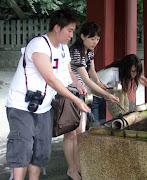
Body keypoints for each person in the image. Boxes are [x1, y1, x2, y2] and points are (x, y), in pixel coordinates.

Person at [5, 7, 90, 180]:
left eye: (73, 31)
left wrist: (77, 84)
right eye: (69, 30)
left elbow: (68, 73)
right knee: (22, 152)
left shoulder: (64, 48)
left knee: (40, 153)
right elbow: (51, 79)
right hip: (22, 107)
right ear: (57, 27)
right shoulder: (38, 45)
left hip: (44, 108)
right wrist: (76, 100)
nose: (71, 35)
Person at [62, 22, 119, 180]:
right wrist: (105, 95)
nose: (95, 42)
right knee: (71, 133)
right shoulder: (76, 51)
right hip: (69, 92)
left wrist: (100, 83)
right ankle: (71, 169)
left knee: (79, 131)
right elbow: (86, 80)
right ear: (82, 36)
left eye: (98, 39)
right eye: (92, 38)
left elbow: (92, 71)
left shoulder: (89, 51)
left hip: (80, 92)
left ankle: (77, 166)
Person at [89, 54, 147, 121]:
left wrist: (138, 77)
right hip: (90, 96)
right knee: (95, 124)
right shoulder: (110, 73)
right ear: (126, 69)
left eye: (137, 72)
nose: (135, 74)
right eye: (133, 71)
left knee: (102, 122)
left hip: (101, 97)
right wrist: (106, 95)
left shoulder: (124, 74)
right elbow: (93, 89)